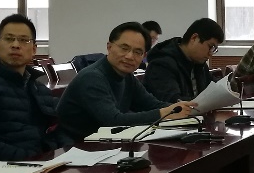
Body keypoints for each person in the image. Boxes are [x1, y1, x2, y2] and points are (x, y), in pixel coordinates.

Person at [57, 21, 197, 139]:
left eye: (137, 52)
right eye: (124, 48)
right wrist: (164, 113)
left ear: (144, 56)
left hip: (106, 144)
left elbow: (151, 104)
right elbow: (113, 121)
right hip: (73, 148)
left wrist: (182, 108)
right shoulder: (92, 77)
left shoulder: (127, 76)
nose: (130, 56)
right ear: (109, 47)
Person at [0, 14, 73, 160]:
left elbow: (55, 130)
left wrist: (68, 153)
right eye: (9, 39)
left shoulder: (39, 88)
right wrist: (34, 159)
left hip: (43, 164)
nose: (16, 45)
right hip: (8, 167)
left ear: (34, 49)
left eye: (24, 40)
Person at [144, 17, 224, 103]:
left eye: (214, 49)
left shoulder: (199, 63)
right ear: (194, 38)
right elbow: (174, 102)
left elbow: (211, 87)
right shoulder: (162, 64)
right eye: (210, 47)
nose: (211, 53)